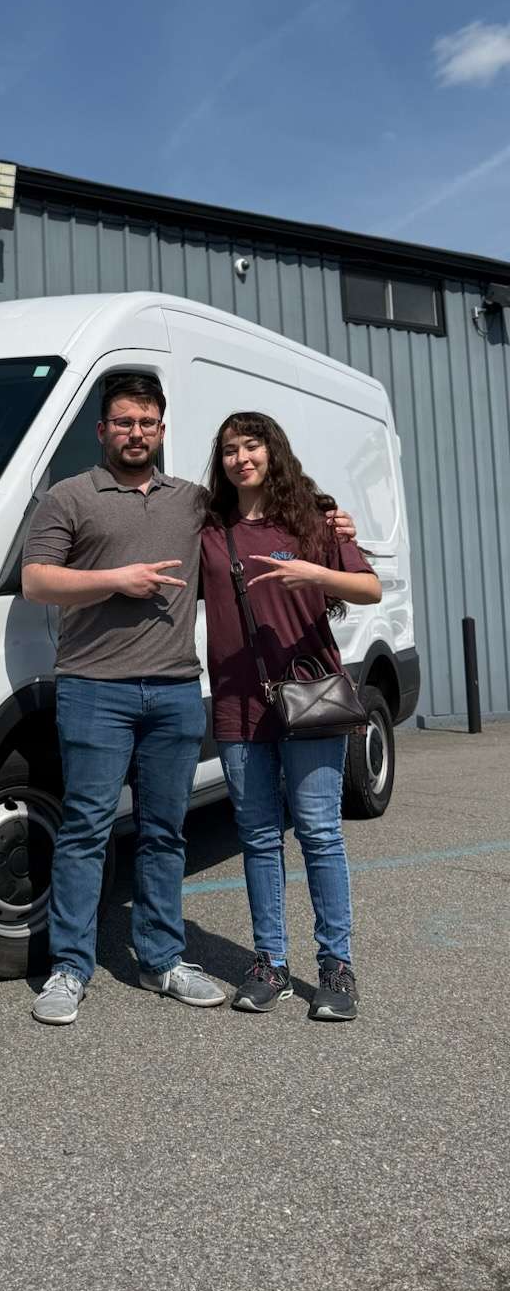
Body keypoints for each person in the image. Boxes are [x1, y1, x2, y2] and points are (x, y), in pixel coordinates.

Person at [21, 374, 355, 1026]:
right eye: (123, 422)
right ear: (102, 430)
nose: (136, 433)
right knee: (88, 826)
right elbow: (36, 580)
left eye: (147, 422)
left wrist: (332, 515)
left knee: (164, 833)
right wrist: (116, 579)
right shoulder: (69, 497)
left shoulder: (194, 504)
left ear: (163, 430)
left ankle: (163, 959)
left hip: (176, 689)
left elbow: (273, 516)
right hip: (95, 688)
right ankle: (69, 969)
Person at [200, 412, 380, 1021]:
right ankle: (269, 964)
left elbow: (368, 588)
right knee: (255, 836)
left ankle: (336, 966)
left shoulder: (313, 516)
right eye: (230, 449)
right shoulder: (210, 527)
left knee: (319, 832)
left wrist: (316, 572)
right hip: (237, 700)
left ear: (273, 450)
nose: (241, 457)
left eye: (251, 445)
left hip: (309, 696)